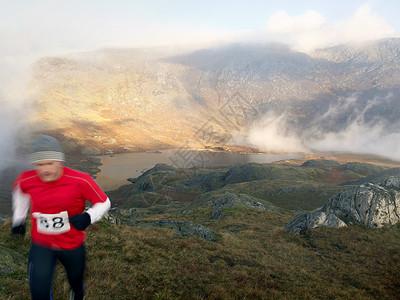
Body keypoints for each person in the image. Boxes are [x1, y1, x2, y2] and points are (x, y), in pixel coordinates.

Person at [11, 135, 111, 300]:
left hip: (72, 245)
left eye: (50, 163)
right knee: (38, 292)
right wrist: (18, 220)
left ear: (60, 161)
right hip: (41, 244)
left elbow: (104, 202)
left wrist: (88, 217)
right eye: (40, 164)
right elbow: (20, 192)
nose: (45, 170)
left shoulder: (80, 180)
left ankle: (77, 291)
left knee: (76, 283)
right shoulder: (27, 179)